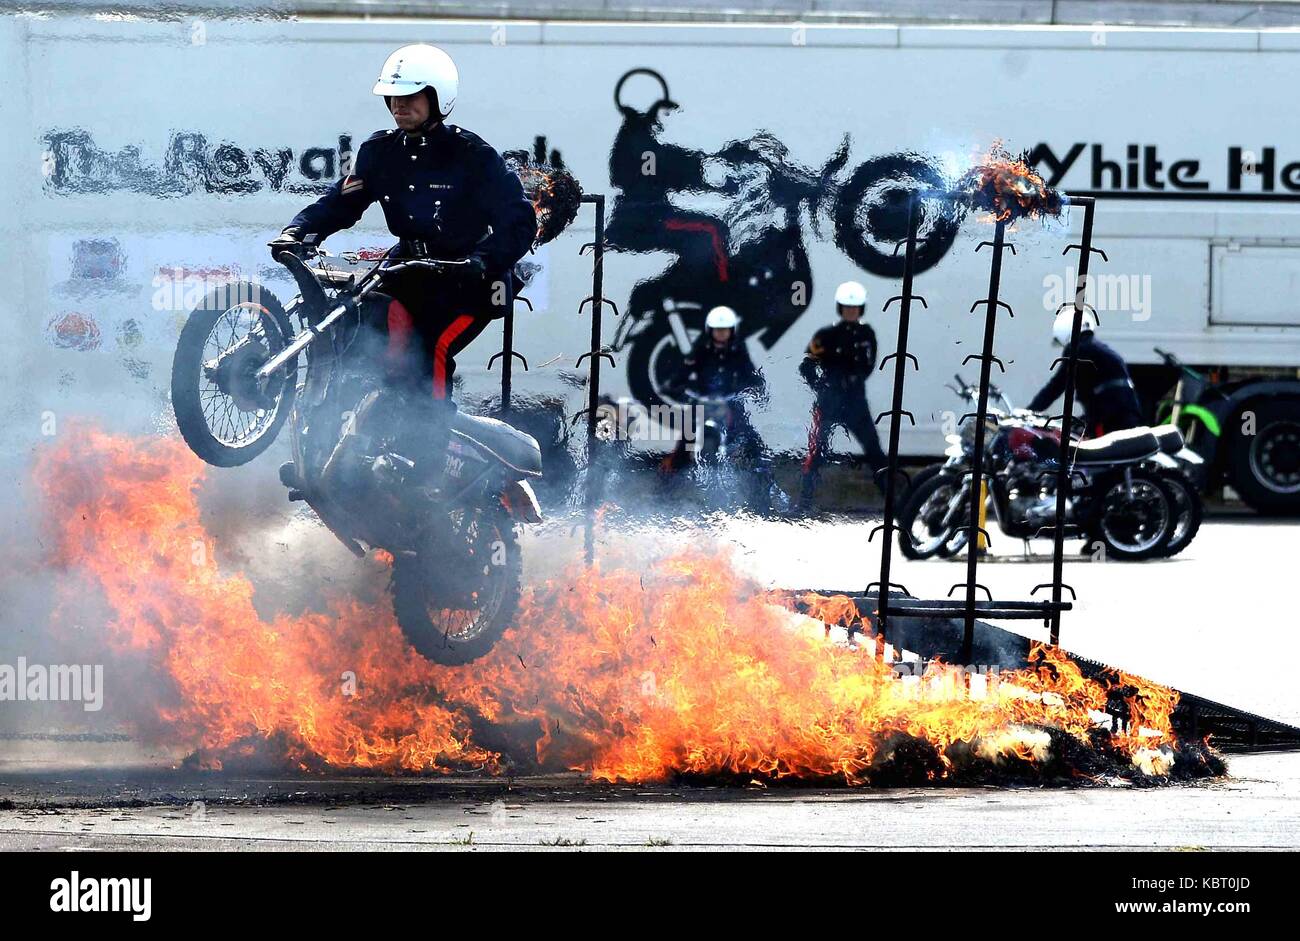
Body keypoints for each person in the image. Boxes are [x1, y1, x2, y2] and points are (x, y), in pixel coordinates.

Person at [270, 43, 536, 491]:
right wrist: (299, 231)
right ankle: (340, 445)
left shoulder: (473, 156)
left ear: (438, 97)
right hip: (409, 267)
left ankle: (427, 466)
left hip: (469, 281)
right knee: (356, 327)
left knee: (428, 349)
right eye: (392, 97)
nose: (399, 105)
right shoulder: (379, 152)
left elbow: (519, 221)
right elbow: (343, 203)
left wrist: (482, 261)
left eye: (411, 95)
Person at [659, 306, 774, 507]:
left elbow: (751, 375)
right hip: (702, 404)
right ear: (709, 330)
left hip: (730, 405)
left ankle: (764, 497)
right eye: (717, 330)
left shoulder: (738, 350)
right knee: (683, 447)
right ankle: (662, 497)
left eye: (725, 330)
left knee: (754, 444)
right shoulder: (701, 348)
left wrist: (753, 388)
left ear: (732, 331)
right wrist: (677, 387)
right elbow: (683, 373)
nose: (721, 334)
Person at [798, 280, 888, 506]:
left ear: (861, 309)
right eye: (847, 307)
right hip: (829, 401)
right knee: (816, 452)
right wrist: (820, 385)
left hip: (856, 401)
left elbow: (869, 364)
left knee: (874, 450)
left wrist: (853, 381)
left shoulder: (867, 334)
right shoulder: (826, 335)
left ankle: (892, 502)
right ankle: (804, 501)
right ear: (840, 308)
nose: (851, 312)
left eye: (855, 308)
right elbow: (806, 365)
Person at [1028, 309, 1143, 437]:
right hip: (1126, 416)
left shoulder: (1077, 349)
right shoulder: (1101, 349)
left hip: (1109, 420)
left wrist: (1029, 412)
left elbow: (1055, 387)